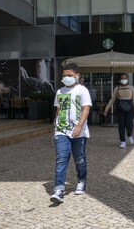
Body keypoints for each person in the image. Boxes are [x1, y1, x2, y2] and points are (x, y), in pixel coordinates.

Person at [50, 63, 92, 204]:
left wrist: (80, 126)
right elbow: (58, 110)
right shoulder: (59, 92)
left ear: (77, 76)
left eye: (70, 75)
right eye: (64, 76)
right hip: (61, 130)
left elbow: (86, 109)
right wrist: (55, 124)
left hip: (78, 131)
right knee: (61, 159)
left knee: (79, 158)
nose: (67, 78)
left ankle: (81, 180)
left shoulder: (82, 90)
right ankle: (59, 189)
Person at [104, 73, 134, 149]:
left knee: (129, 124)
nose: (123, 80)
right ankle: (122, 141)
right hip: (120, 108)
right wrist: (106, 109)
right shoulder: (117, 88)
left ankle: (129, 135)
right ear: (120, 80)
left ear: (127, 79)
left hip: (130, 107)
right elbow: (112, 100)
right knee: (121, 125)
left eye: (125, 78)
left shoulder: (132, 88)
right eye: (122, 78)